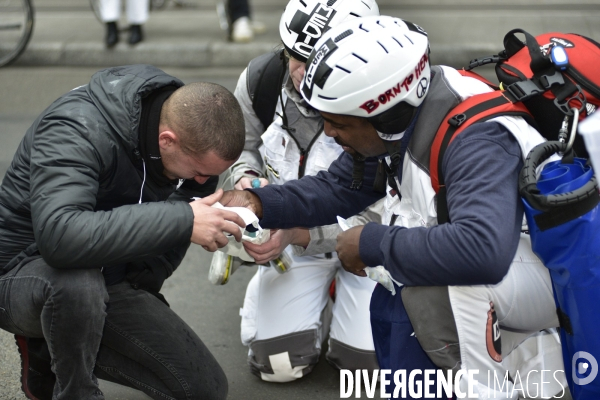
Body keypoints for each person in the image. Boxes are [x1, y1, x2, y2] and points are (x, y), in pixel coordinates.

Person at [221, 16, 567, 398]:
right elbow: (338, 188)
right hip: (511, 270)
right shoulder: (402, 117)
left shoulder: (477, 139)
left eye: (337, 123)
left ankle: (502, 381)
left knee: (427, 290)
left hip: (550, 279)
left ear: (384, 115)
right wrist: (256, 202)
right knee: (395, 293)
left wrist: (371, 242)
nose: (330, 134)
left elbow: (481, 250)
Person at [0, 64, 247, 400]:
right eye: (201, 173)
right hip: (24, 274)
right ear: (167, 140)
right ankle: (65, 380)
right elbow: (59, 238)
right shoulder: (76, 128)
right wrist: (183, 220)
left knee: (204, 390)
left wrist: (144, 287)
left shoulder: (188, 147)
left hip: (105, 275)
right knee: (76, 283)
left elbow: (172, 226)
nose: (203, 182)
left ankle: (61, 336)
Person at [211, 0, 381, 383]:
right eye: (296, 57)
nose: (303, 73)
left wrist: (301, 232)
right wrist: (246, 179)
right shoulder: (261, 80)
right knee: (279, 366)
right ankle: (291, 297)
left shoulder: (383, 98)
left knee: (366, 372)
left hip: (368, 246)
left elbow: (393, 207)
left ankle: (341, 298)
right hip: (293, 240)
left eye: (319, 60)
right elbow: (242, 147)